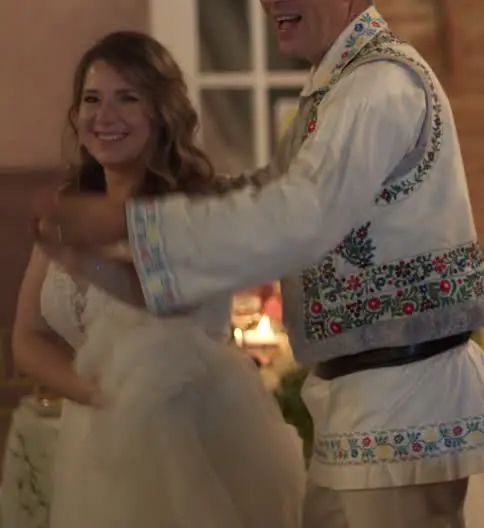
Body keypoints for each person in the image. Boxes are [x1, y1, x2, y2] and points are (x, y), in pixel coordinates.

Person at [31, 0, 484, 527]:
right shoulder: (337, 89)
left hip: (402, 403)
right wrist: (111, 249)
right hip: (359, 403)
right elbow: (273, 191)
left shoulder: (379, 84)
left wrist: (133, 220)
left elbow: (300, 213)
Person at [11, 31, 306, 527]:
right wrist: (96, 394)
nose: (104, 116)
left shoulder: (192, 208)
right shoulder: (73, 206)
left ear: (161, 112)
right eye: (92, 99)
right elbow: (29, 336)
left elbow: (160, 298)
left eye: (128, 98)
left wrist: (86, 257)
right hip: (98, 437)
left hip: (190, 438)